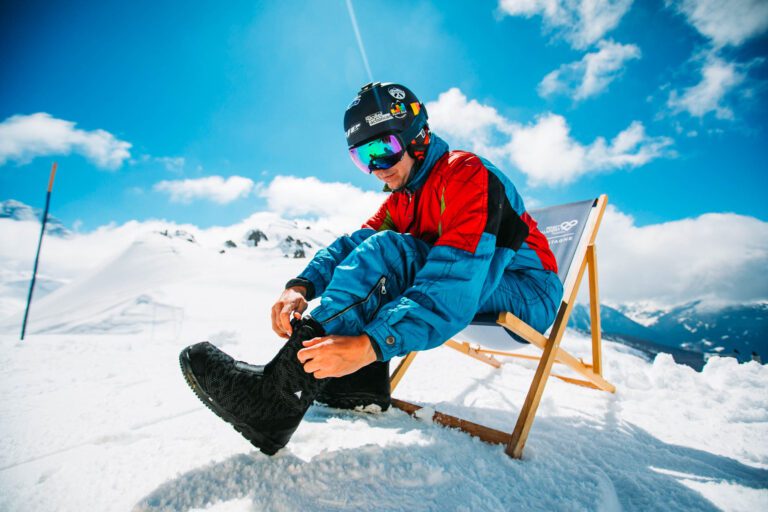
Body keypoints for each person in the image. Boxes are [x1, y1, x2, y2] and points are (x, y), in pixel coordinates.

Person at [179, 82, 563, 455]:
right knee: (377, 251)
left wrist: (369, 345)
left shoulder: (466, 175)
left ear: (418, 138)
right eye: (363, 157)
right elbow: (354, 246)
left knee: (391, 254)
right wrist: (301, 285)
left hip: (528, 291)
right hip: (478, 286)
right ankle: (357, 385)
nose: (376, 168)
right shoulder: (404, 198)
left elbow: (455, 279)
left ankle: (276, 397)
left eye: (383, 149)